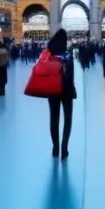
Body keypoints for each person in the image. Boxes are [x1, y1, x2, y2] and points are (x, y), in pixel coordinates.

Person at [45, 29, 76, 159]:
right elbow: (70, 76)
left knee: (54, 119)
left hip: (52, 90)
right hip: (66, 91)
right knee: (67, 119)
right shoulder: (67, 55)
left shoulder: (49, 55)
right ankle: (64, 148)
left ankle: (55, 147)